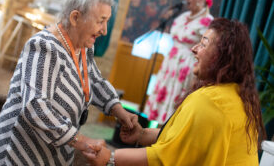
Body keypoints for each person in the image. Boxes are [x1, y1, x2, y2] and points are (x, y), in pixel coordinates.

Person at [0, 0, 138, 166]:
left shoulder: (83, 47)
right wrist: (83, 141)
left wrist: (120, 112)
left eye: (107, 21)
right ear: (75, 17)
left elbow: (93, 81)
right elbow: (35, 107)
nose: (104, 30)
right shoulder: (44, 47)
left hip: (55, 150)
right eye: (100, 21)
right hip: (20, 151)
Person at [83, 18, 266, 166]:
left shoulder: (210, 102)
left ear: (223, 55)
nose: (194, 49)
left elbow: (165, 159)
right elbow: (186, 140)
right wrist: (142, 135)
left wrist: (111, 159)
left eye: (203, 44)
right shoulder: (235, 95)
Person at [144, 0, 214, 124]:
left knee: (177, 96)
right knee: (164, 94)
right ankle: (154, 134)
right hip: (171, 61)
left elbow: (208, 47)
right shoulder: (182, 16)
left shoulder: (207, 21)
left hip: (188, 63)